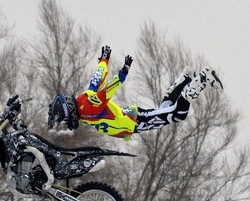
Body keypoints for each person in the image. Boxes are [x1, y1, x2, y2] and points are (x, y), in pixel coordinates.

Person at [47, 45, 223, 140]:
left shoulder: (87, 109)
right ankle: (184, 79)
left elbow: (106, 91)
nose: (67, 121)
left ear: (67, 109)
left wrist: (122, 74)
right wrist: (104, 61)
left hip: (134, 122)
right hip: (132, 119)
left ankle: (201, 79)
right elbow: (97, 79)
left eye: (64, 117)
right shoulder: (83, 99)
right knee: (165, 111)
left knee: (178, 113)